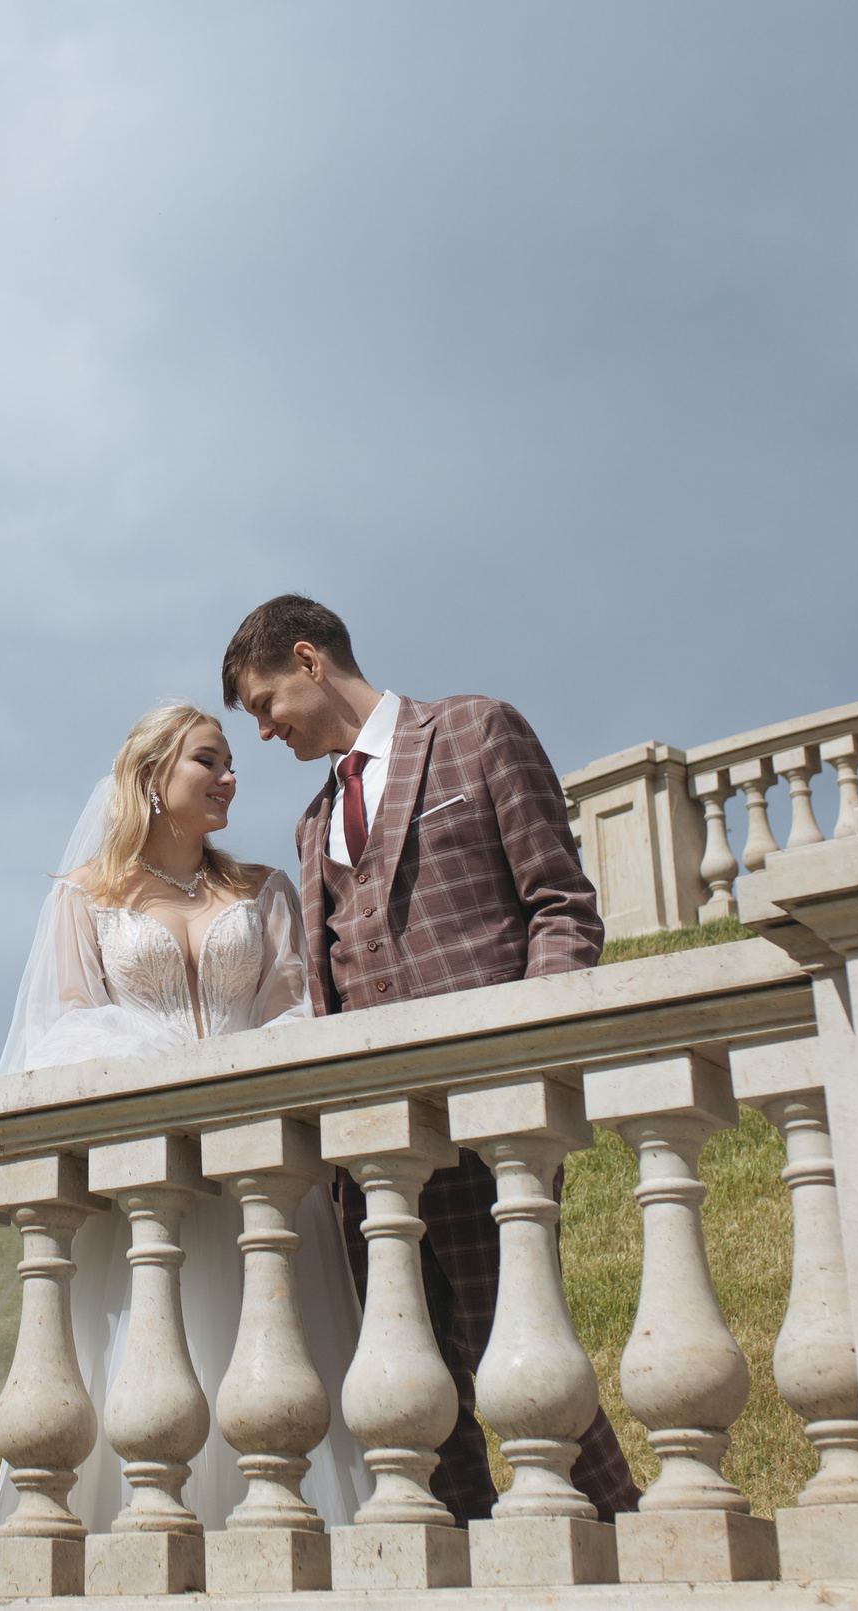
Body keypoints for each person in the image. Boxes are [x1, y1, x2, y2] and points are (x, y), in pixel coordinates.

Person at [220, 593, 641, 1526]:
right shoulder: (312, 819)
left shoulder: (475, 730)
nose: (261, 730)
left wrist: (531, 1064)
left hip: (490, 1117)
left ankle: (635, 1543)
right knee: (415, 1393)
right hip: (369, 1147)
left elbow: (560, 907)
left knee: (514, 1355)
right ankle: (464, 1574)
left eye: (261, 703)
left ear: (308, 659)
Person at [0, 701, 370, 1534]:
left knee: (274, 1364)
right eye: (209, 760)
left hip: (255, 1160)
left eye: (231, 761)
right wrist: (158, 1058)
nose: (231, 775)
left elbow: (296, 1011)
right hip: (146, 1176)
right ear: (154, 778)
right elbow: (63, 1031)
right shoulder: (84, 898)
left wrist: (231, 1077)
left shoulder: (262, 889)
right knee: (147, 1365)